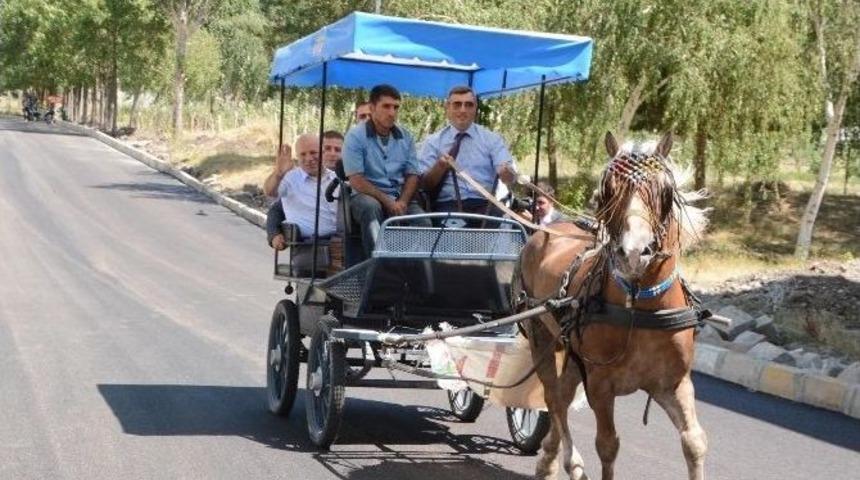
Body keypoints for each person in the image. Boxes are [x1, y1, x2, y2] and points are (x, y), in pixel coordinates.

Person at [342, 84, 428, 256]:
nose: (392, 112)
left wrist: (402, 201)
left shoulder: (406, 136)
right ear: (372, 108)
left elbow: (412, 175)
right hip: (366, 196)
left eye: (396, 107)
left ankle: (418, 273)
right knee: (371, 208)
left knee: (423, 222)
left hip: (399, 196)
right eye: (386, 106)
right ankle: (377, 267)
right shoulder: (355, 136)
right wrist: (388, 202)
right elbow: (356, 179)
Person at [419, 85, 517, 216]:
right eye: (457, 104)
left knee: (509, 229)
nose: (463, 110)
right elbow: (424, 185)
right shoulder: (433, 142)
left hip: (485, 205)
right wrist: (440, 166)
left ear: (475, 108)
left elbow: (510, 178)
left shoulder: (492, 139)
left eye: (469, 105)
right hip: (448, 205)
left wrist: (506, 173)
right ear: (447, 107)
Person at [265, 134, 338, 250]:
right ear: (297, 157)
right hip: (308, 248)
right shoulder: (290, 179)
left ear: (323, 152)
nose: (309, 159)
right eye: (303, 154)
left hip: (340, 245)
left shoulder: (336, 178)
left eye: (313, 153)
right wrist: (278, 174)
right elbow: (270, 191)